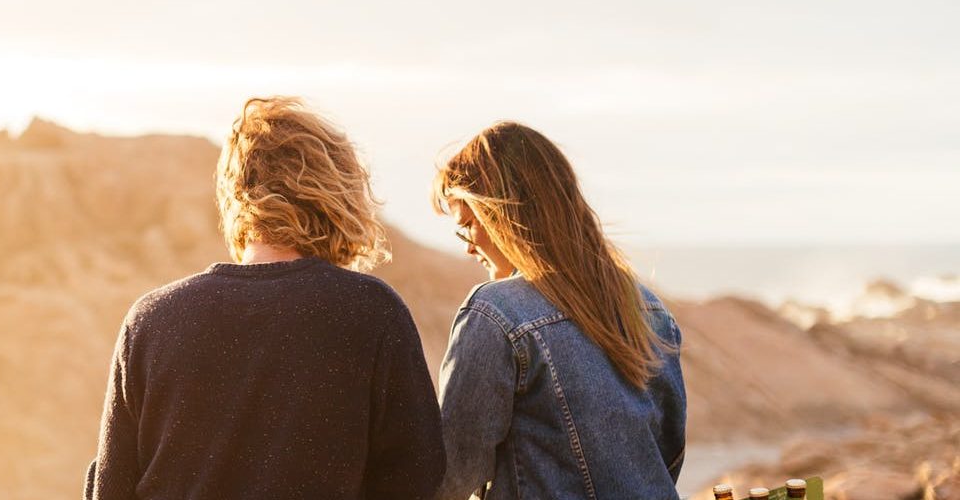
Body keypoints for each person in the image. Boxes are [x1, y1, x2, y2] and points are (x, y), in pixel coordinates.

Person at [85, 97, 444, 500]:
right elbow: (418, 480)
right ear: (336, 195)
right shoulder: (372, 314)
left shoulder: (150, 320)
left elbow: (110, 489)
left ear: (235, 197)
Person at [431, 122, 686, 499]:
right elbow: (665, 455)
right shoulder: (648, 307)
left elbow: (450, 475)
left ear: (503, 215)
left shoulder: (494, 314)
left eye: (467, 225)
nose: (467, 246)